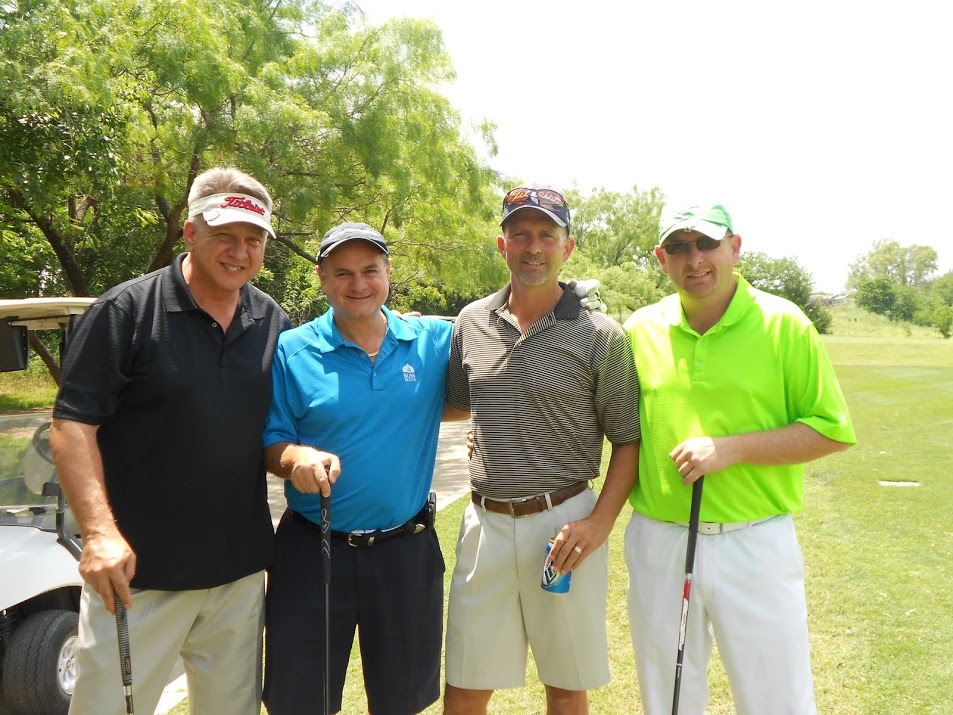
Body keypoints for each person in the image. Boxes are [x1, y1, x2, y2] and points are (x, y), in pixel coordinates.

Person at [49, 167, 290, 714]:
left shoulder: (271, 320)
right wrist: (98, 534)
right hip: (136, 578)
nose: (239, 251)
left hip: (237, 577)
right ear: (190, 232)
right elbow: (72, 426)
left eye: (253, 239)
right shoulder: (125, 311)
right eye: (224, 235)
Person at [622, 203, 857, 714]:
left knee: (778, 701)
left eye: (707, 244)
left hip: (755, 542)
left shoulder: (784, 324)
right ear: (662, 258)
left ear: (735, 247)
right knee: (668, 701)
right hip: (660, 540)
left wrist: (731, 448)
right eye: (679, 247)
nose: (694, 259)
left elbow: (831, 430)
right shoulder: (639, 329)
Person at [443, 184, 641, 715]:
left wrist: (598, 523)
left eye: (547, 235)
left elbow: (628, 439)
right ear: (502, 245)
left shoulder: (602, 335)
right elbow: (459, 404)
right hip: (485, 524)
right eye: (521, 234)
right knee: (463, 687)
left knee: (566, 685)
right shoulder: (471, 321)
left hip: (564, 525)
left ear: (567, 248)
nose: (533, 247)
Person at [261, 222, 467, 715]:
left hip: (405, 551)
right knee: (301, 702)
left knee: (401, 701)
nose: (358, 284)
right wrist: (296, 459)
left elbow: (499, 347)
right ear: (322, 278)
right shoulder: (292, 350)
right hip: (312, 549)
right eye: (343, 273)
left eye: (370, 270)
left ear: (388, 272)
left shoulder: (433, 340)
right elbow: (272, 441)